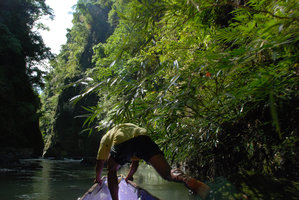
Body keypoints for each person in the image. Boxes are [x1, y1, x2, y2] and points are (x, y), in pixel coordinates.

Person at [94, 123, 210, 200]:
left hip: (122, 139)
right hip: (144, 137)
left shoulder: (106, 137)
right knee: (167, 173)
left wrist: (98, 178)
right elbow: (136, 162)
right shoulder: (132, 128)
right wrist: (129, 176)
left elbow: (100, 162)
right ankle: (187, 179)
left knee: (112, 169)